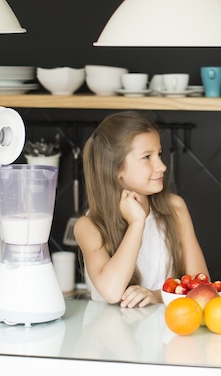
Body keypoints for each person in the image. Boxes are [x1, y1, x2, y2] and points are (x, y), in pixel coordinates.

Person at [74, 111, 208, 307]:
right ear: (115, 169)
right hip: (109, 335)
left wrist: (156, 296)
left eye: (159, 154)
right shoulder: (88, 226)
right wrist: (136, 223)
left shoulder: (175, 208)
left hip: (167, 333)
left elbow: (203, 287)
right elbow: (111, 291)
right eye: (147, 157)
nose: (161, 166)